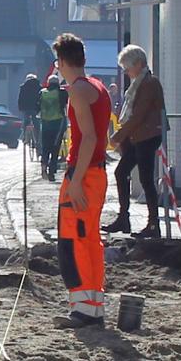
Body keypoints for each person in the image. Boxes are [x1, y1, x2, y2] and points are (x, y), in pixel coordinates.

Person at [53, 33, 110, 328]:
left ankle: (83, 309)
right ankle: (93, 305)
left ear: (63, 61)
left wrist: (75, 181)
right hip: (96, 173)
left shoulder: (77, 90)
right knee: (89, 239)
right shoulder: (98, 86)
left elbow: (88, 137)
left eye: (57, 62)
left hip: (83, 173)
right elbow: (103, 137)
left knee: (73, 239)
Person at [108, 45, 167, 237]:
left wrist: (119, 136)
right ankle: (124, 218)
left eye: (127, 67)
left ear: (139, 64)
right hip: (138, 136)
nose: (126, 72)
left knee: (146, 178)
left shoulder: (149, 84)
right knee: (121, 172)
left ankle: (153, 224)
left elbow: (138, 115)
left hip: (147, 136)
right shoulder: (138, 84)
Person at [36, 71, 67, 180]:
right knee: (55, 148)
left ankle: (43, 166)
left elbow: (37, 107)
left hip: (45, 124)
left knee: (45, 147)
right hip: (58, 124)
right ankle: (52, 171)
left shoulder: (42, 92)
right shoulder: (62, 92)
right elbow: (64, 106)